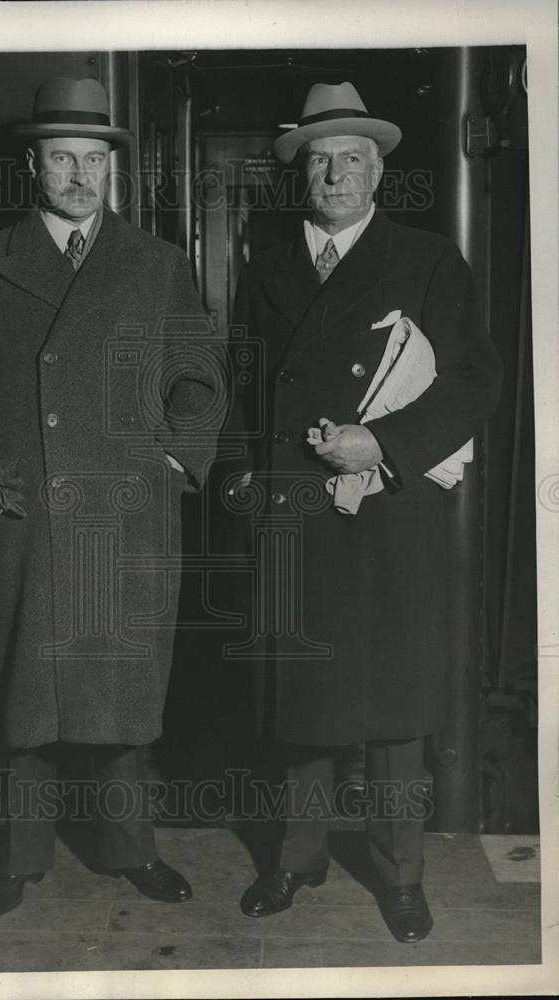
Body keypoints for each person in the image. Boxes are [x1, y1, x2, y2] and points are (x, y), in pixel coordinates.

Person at [0, 77, 224, 918]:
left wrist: (172, 462)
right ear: (32, 165)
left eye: (92, 159)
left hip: (124, 517)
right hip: (25, 516)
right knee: (24, 704)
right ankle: (16, 862)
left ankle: (133, 853)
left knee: (120, 706)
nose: (79, 175)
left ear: (111, 168)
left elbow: (201, 382)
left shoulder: (157, 264)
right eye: (61, 158)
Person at [230, 82, 502, 942]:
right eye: (320, 160)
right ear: (300, 176)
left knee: (391, 705)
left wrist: (378, 443)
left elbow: (471, 383)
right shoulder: (265, 269)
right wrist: (238, 476)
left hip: (385, 512)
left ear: (378, 171)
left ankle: (402, 877)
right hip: (294, 511)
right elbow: (238, 386)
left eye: (352, 158)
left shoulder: (427, 258)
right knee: (301, 703)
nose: (336, 174)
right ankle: (295, 859)